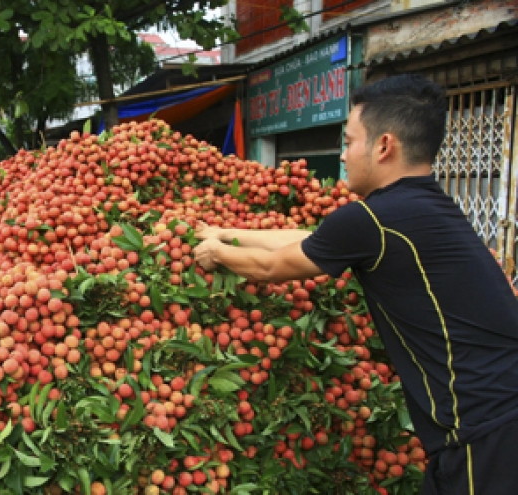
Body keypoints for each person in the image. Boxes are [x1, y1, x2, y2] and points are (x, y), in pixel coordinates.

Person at [193, 74, 518, 495]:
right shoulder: (421, 208)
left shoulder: (375, 219)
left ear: (384, 146)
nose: (343, 156)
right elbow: (311, 241)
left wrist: (217, 254)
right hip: (492, 420)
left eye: (348, 142)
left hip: (485, 431)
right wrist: (224, 232)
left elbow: (273, 267)